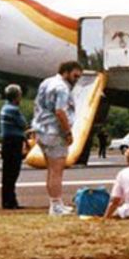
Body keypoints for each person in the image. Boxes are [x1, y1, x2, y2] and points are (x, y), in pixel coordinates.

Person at [33, 61, 83, 216]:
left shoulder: (47, 82)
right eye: (75, 75)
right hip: (55, 133)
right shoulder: (62, 88)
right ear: (66, 72)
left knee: (50, 170)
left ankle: (55, 203)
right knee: (57, 171)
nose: (76, 79)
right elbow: (60, 111)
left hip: (41, 130)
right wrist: (68, 132)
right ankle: (56, 206)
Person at [0, 84, 28, 210]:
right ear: (17, 96)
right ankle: (11, 201)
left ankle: (7, 201)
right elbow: (23, 124)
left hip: (6, 142)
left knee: (7, 174)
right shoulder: (14, 110)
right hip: (14, 142)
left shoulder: (5, 107)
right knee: (13, 173)